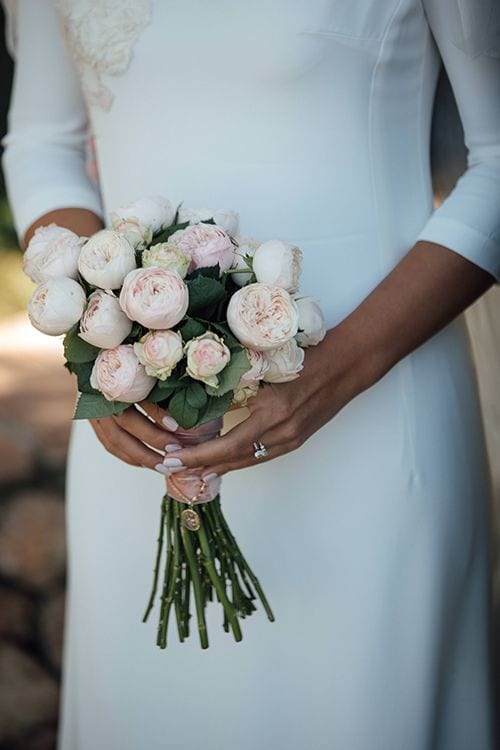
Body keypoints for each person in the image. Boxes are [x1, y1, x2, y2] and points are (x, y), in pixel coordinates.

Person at [2, 1, 500, 748]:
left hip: (374, 414)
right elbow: (42, 142)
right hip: (140, 428)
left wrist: (335, 372)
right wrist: (99, 339)